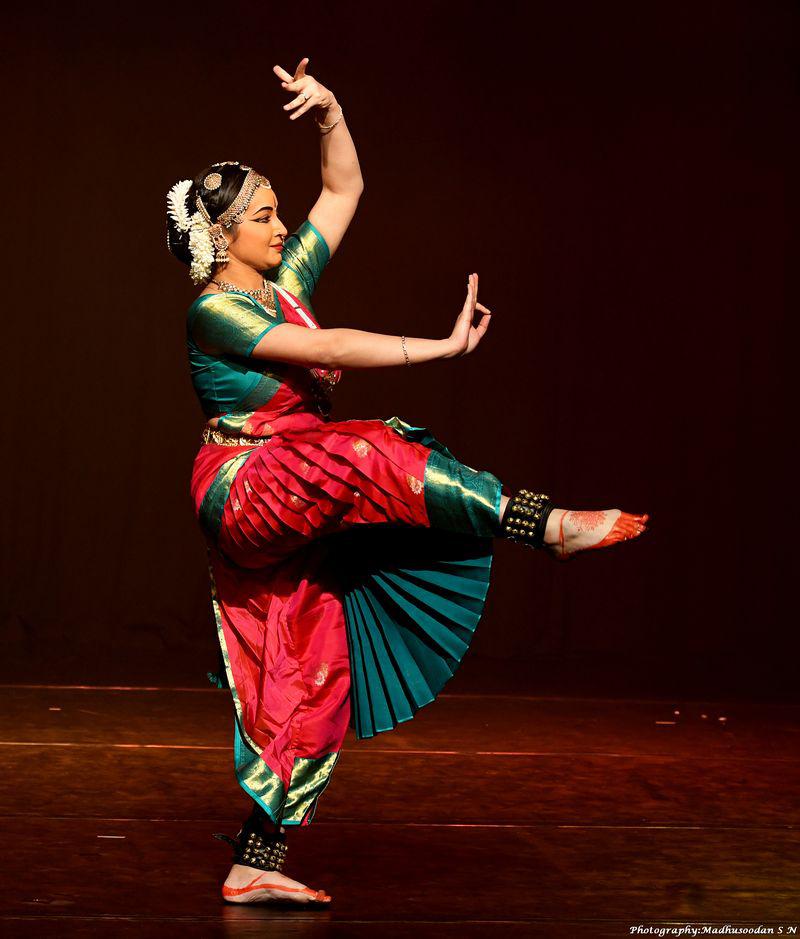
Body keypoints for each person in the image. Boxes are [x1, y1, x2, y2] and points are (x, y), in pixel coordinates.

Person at [166, 57, 648, 908]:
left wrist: (330, 113)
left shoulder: (285, 287)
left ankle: (257, 855)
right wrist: (436, 348)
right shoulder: (216, 307)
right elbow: (327, 350)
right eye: (266, 217)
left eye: (281, 214)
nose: (283, 228)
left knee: (314, 672)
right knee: (368, 450)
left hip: (297, 485)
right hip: (246, 485)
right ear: (227, 232)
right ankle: (539, 523)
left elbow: (344, 192)